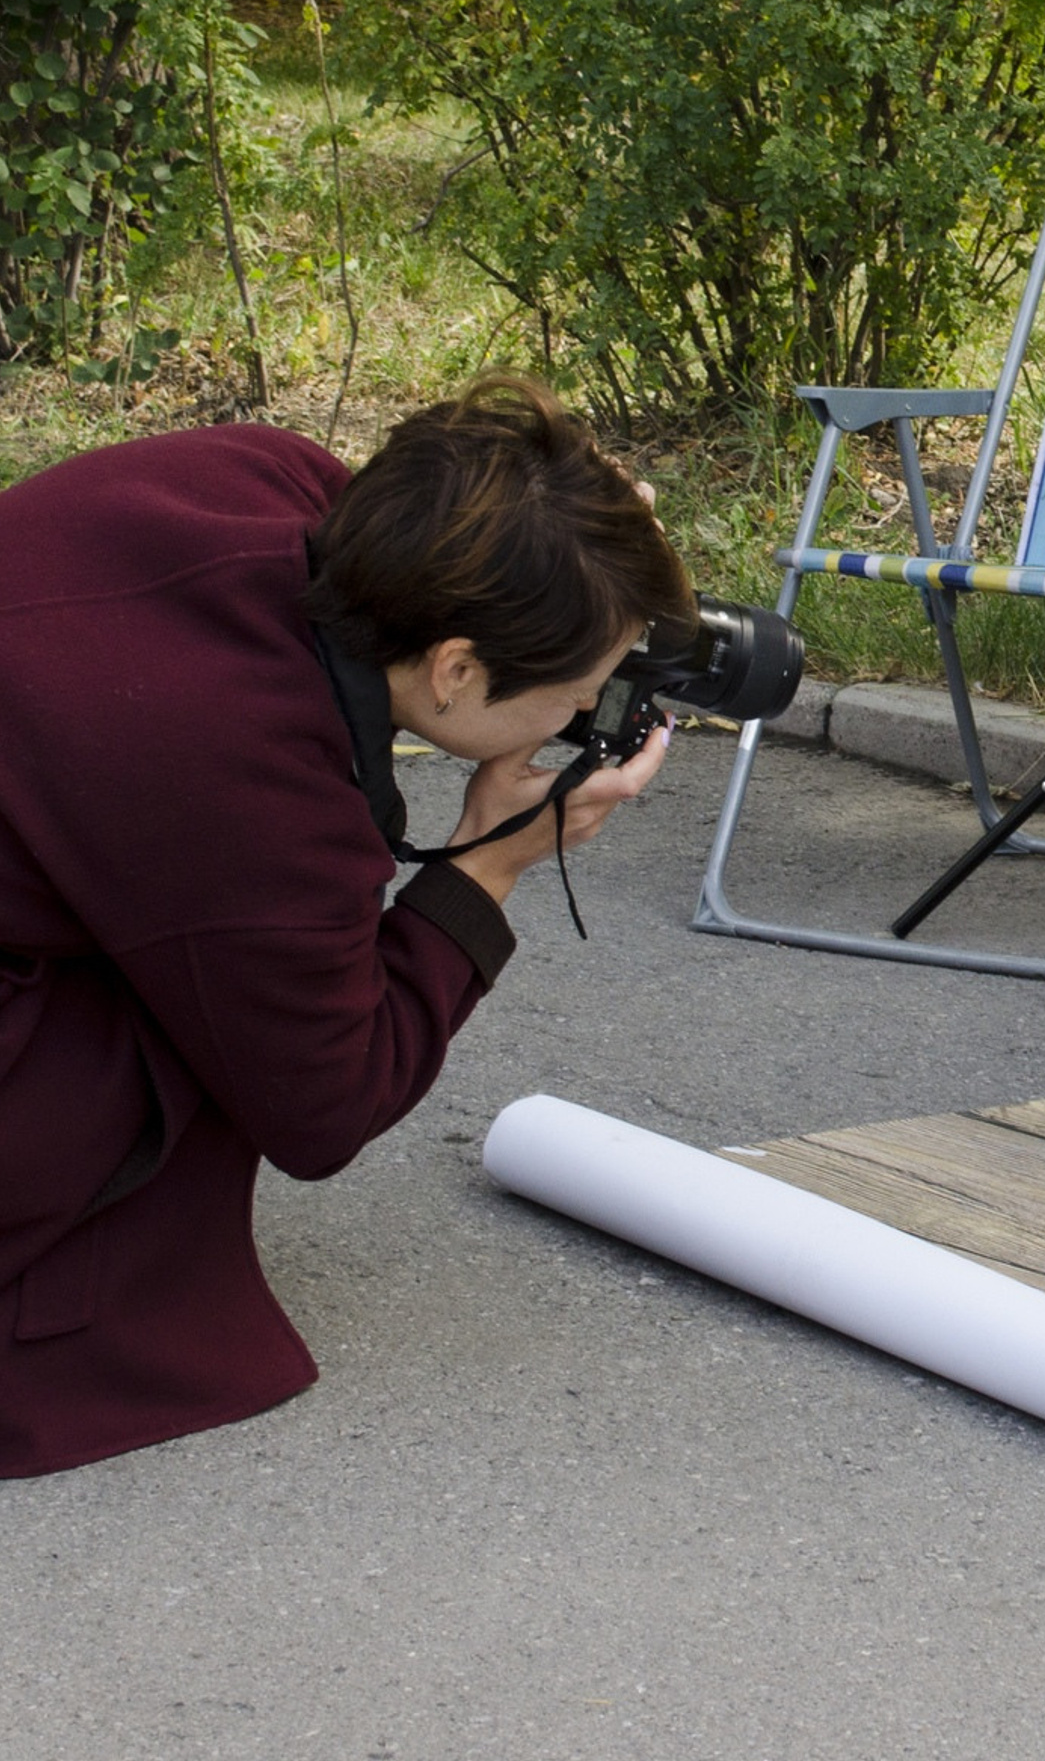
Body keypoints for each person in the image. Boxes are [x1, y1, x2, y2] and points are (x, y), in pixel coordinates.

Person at [0, 377, 686, 1479]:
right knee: (200, 1017)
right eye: (579, 691)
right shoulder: (241, 777)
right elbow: (324, 1102)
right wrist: (489, 863)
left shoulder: (267, 478)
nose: (583, 717)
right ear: (458, 668)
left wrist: (575, 540)